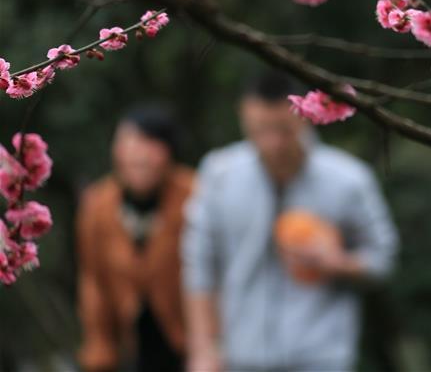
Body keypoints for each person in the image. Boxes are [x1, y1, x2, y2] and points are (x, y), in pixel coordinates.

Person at [182, 72, 399, 372]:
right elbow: (199, 266)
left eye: (283, 130)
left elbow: (383, 258)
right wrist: (204, 350)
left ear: (305, 115)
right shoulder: (218, 174)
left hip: (321, 356)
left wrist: (336, 263)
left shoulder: (348, 179)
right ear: (243, 116)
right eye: (260, 129)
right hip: (240, 355)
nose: (272, 143)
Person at [77, 106, 195, 372]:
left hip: (189, 342)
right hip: (133, 347)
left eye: (149, 144)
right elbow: (93, 282)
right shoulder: (98, 205)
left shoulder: (196, 195)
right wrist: (99, 349)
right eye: (127, 142)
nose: (137, 154)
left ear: (169, 151)